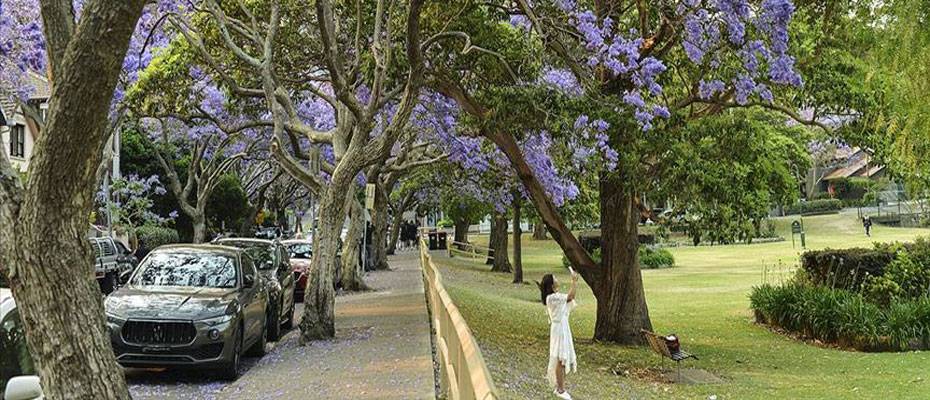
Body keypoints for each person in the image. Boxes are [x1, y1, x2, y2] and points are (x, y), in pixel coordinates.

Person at [539, 270, 579, 399]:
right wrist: (574, 281)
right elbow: (570, 297)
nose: (557, 279)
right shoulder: (552, 297)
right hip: (559, 329)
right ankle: (560, 389)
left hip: (562, 327)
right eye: (554, 278)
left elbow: (568, 300)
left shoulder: (555, 296)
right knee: (560, 358)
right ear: (551, 285)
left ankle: (561, 387)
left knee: (563, 357)